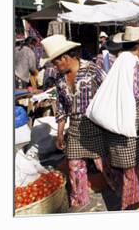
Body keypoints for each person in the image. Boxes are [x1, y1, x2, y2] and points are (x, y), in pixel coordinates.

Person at [41, 34, 112, 209]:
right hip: (74, 129)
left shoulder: (92, 70)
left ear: (64, 58)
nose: (54, 67)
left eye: (55, 62)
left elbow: (109, 94)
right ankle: (79, 202)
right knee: (74, 166)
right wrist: (59, 134)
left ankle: (115, 191)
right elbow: (61, 108)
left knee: (104, 166)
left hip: (95, 127)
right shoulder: (59, 80)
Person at [99, 27, 139, 210]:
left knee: (123, 174)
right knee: (132, 174)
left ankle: (123, 201)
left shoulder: (118, 63)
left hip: (113, 129)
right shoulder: (135, 68)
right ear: (138, 47)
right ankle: (130, 209)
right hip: (130, 132)